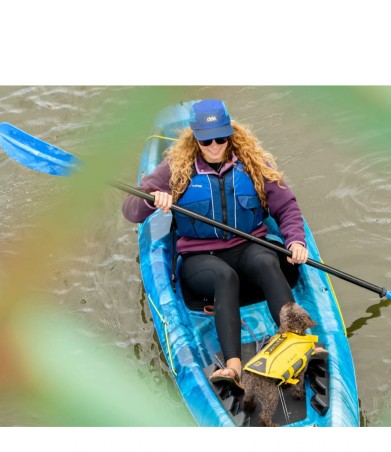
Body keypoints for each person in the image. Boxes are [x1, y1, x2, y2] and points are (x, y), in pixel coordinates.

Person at [122, 99, 309, 394]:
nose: (214, 146)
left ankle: (296, 341)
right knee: (224, 276)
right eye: (206, 140)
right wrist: (152, 199)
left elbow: (286, 208)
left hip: (248, 247)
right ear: (195, 138)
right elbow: (130, 210)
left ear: (230, 134)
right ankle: (233, 367)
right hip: (201, 259)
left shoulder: (253, 164)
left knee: (267, 260)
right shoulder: (175, 169)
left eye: (220, 138)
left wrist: (296, 240)